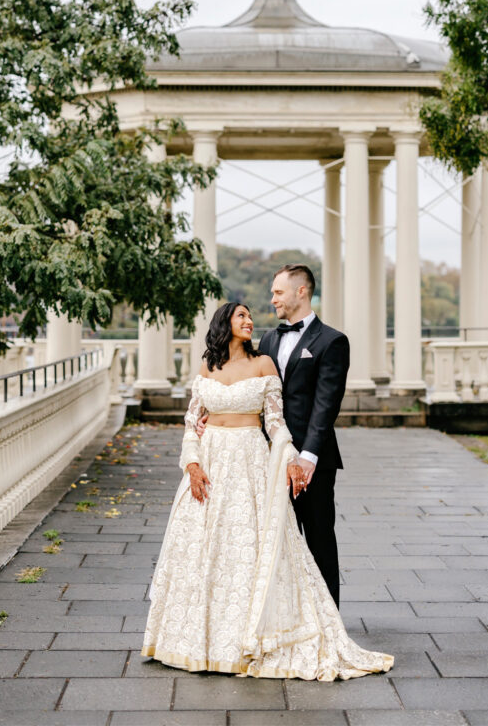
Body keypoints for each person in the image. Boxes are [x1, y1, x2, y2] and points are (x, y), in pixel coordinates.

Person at [141, 301, 393, 681]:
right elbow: (192, 422)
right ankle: (199, 640)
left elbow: (275, 423)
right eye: (241, 316)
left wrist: (293, 458)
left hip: (249, 459)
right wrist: (191, 464)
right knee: (203, 548)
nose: (249, 320)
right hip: (210, 462)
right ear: (224, 323)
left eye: (249, 316)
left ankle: (253, 635)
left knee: (248, 547)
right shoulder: (206, 367)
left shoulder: (263, 364)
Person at [257, 263, 347, 607]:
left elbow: (326, 404)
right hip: (269, 456)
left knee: (319, 537)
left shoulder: (332, 341)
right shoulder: (268, 338)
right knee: (276, 539)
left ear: (301, 292)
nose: (273, 299)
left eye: (278, 292)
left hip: (314, 462)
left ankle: (329, 619)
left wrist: (307, 456)